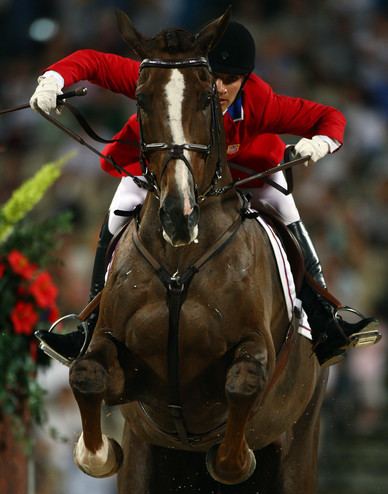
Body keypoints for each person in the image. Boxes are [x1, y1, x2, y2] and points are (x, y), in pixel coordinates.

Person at [31, 20, 380, 368]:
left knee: (287, 214)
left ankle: (324, 318)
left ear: (245, 79)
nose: (221, 87)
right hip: (162, 170)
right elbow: (94, 62)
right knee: (118, 212)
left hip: (246, 175)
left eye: (232, 79)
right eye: (214, 76)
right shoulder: (166, 77)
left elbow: (329, 117)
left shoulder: (259, 103)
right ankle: (90, 326)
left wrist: (320, 143)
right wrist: (55, 79)